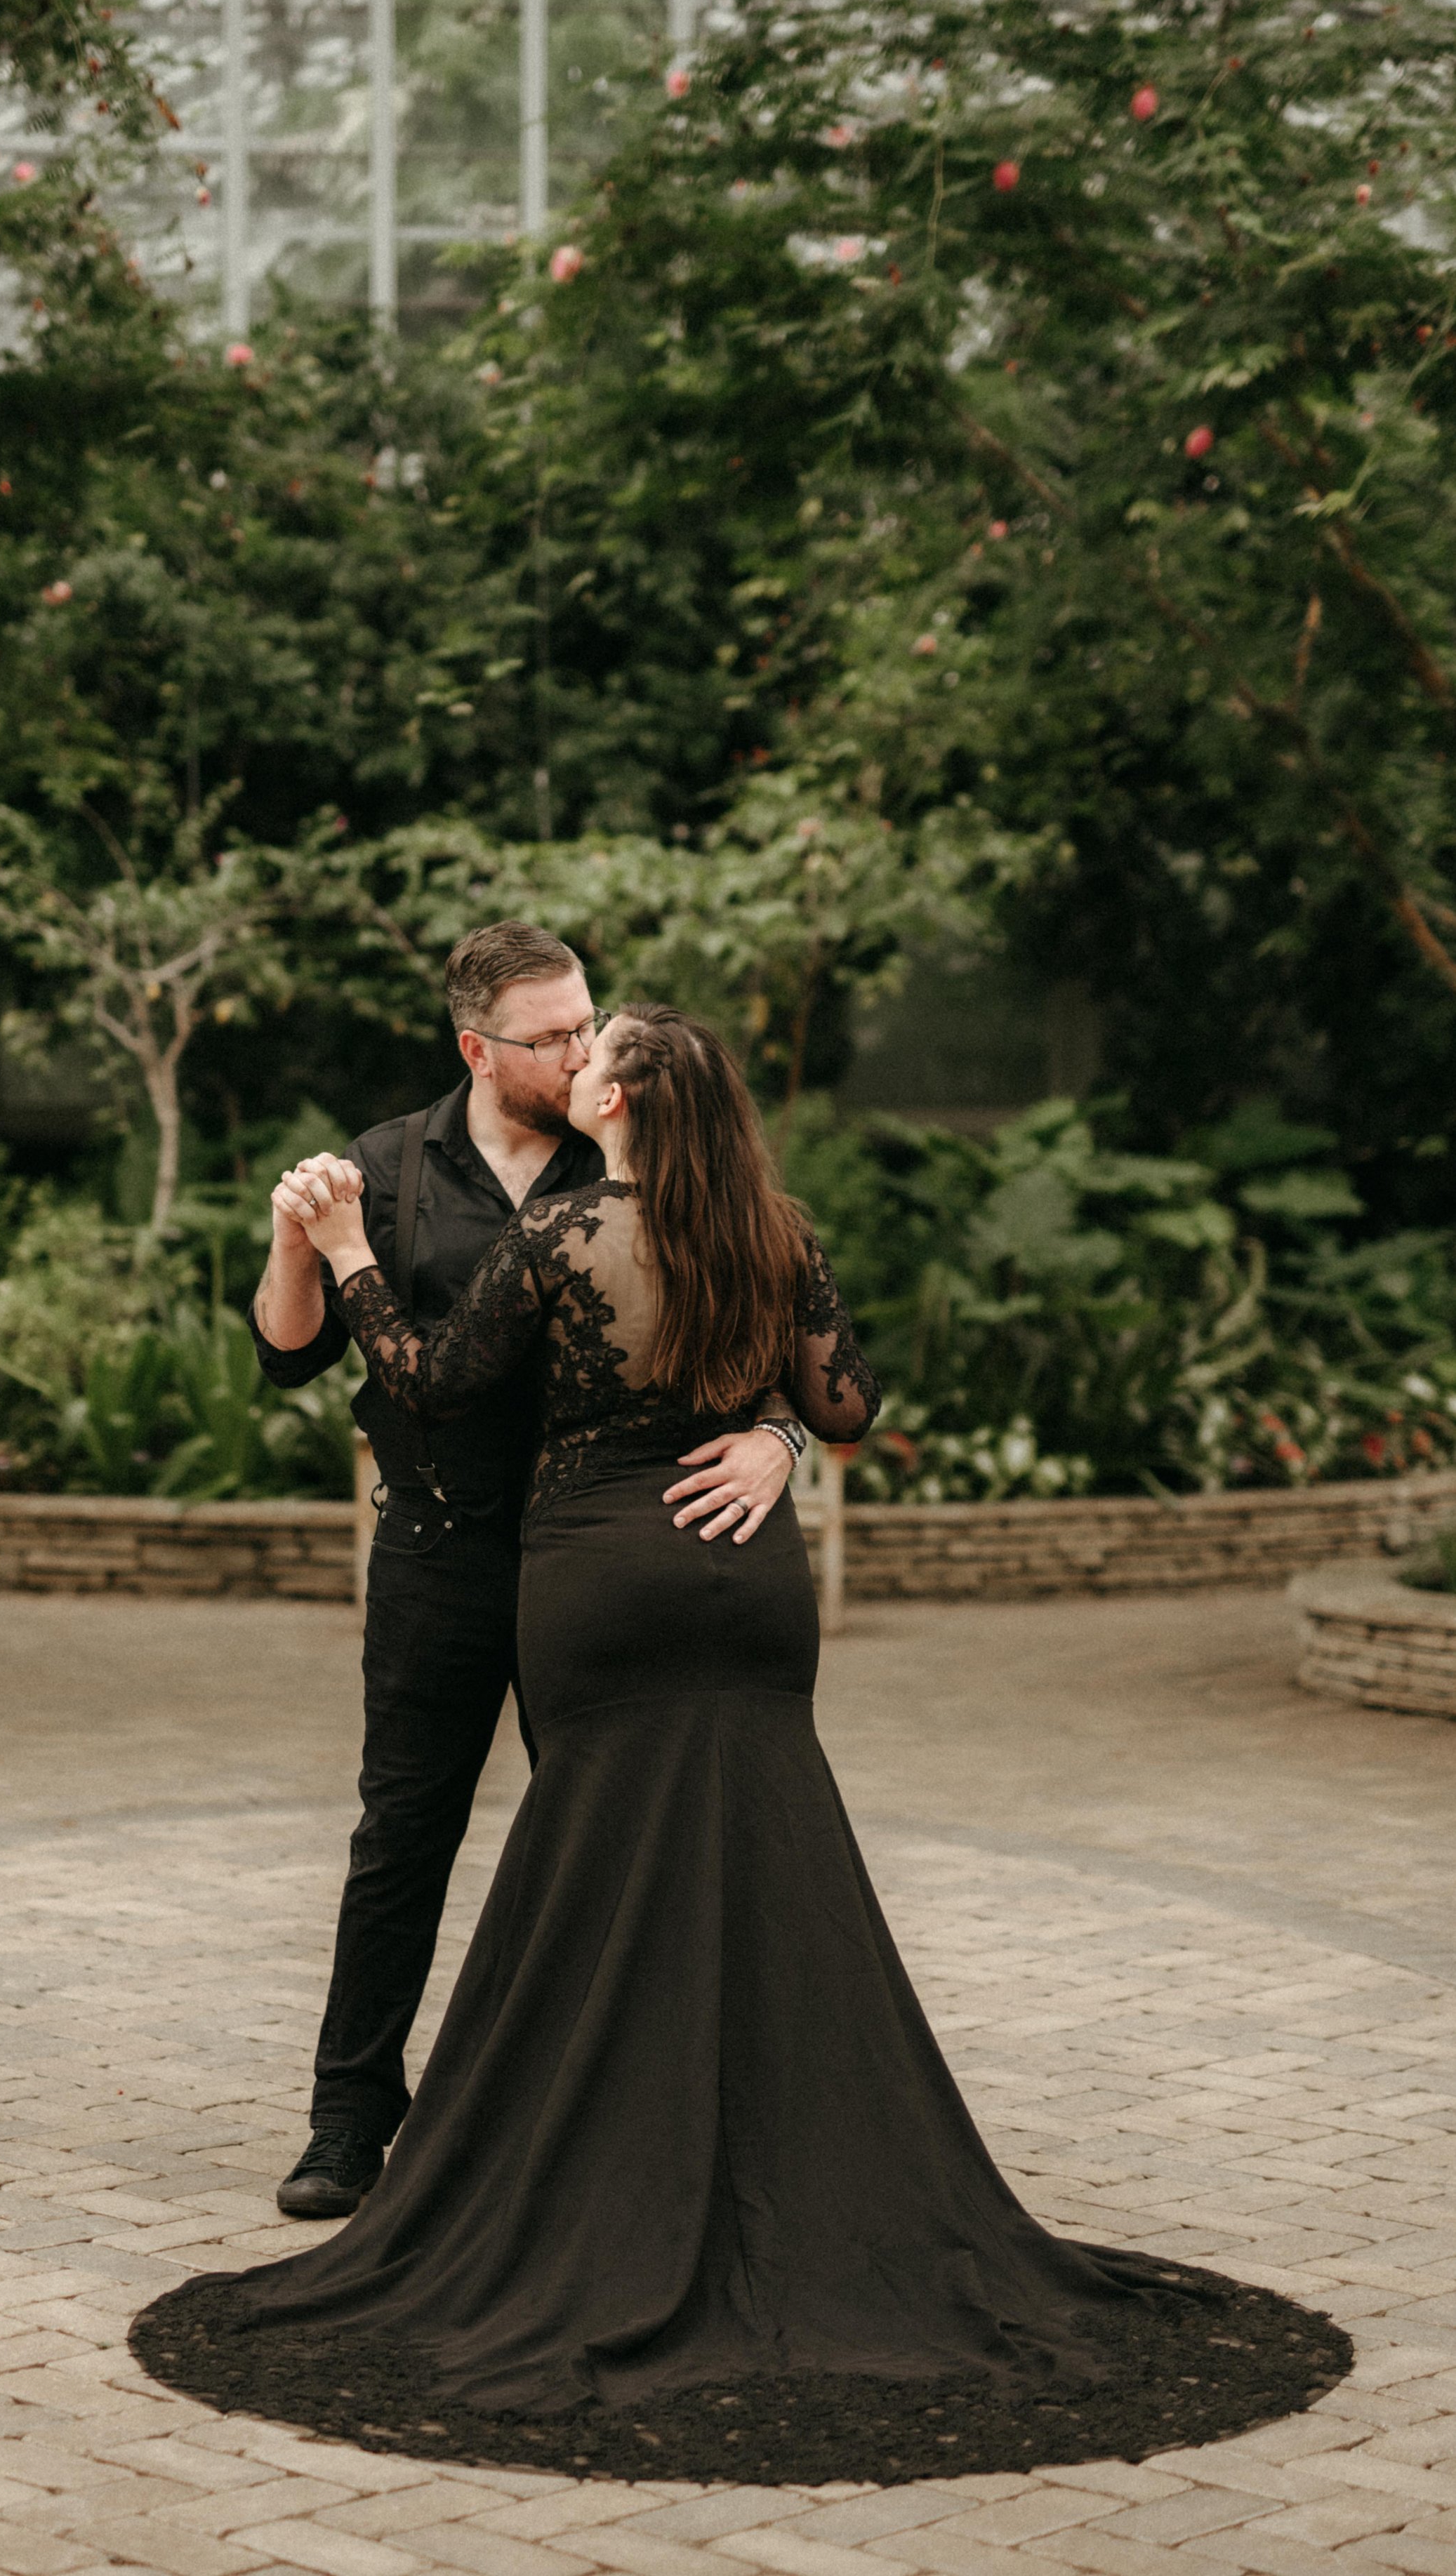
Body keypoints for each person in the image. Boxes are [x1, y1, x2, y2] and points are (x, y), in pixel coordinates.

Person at [221, 1004, 1177, 2421]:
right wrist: (776, 1435)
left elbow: (425, 1380)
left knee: (594, 1862)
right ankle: (772, 2146)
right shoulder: (772, 1229)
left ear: (618, 1100)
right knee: (762, 1864)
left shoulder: (560, 1237)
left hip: (602, 1584)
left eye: (593, 1049)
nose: (578, 1058)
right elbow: (845, 1402)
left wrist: (352, 1254)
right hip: (751, 1586)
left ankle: (586, 2151)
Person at [250, 927, 800, 2217]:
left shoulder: (635, 1145)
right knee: (403, 1835)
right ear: (475, 1050)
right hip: (441, 1548)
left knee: (605, 1835)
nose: (576, 1049)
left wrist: (781, 1439)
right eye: (548, 1035)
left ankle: (621, 2113)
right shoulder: (385, 1165)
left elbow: (750, 1327)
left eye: (583, 1024)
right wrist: (299, 1241)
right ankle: (347, 2120)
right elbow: (289, 1356)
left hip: (597, 1561)